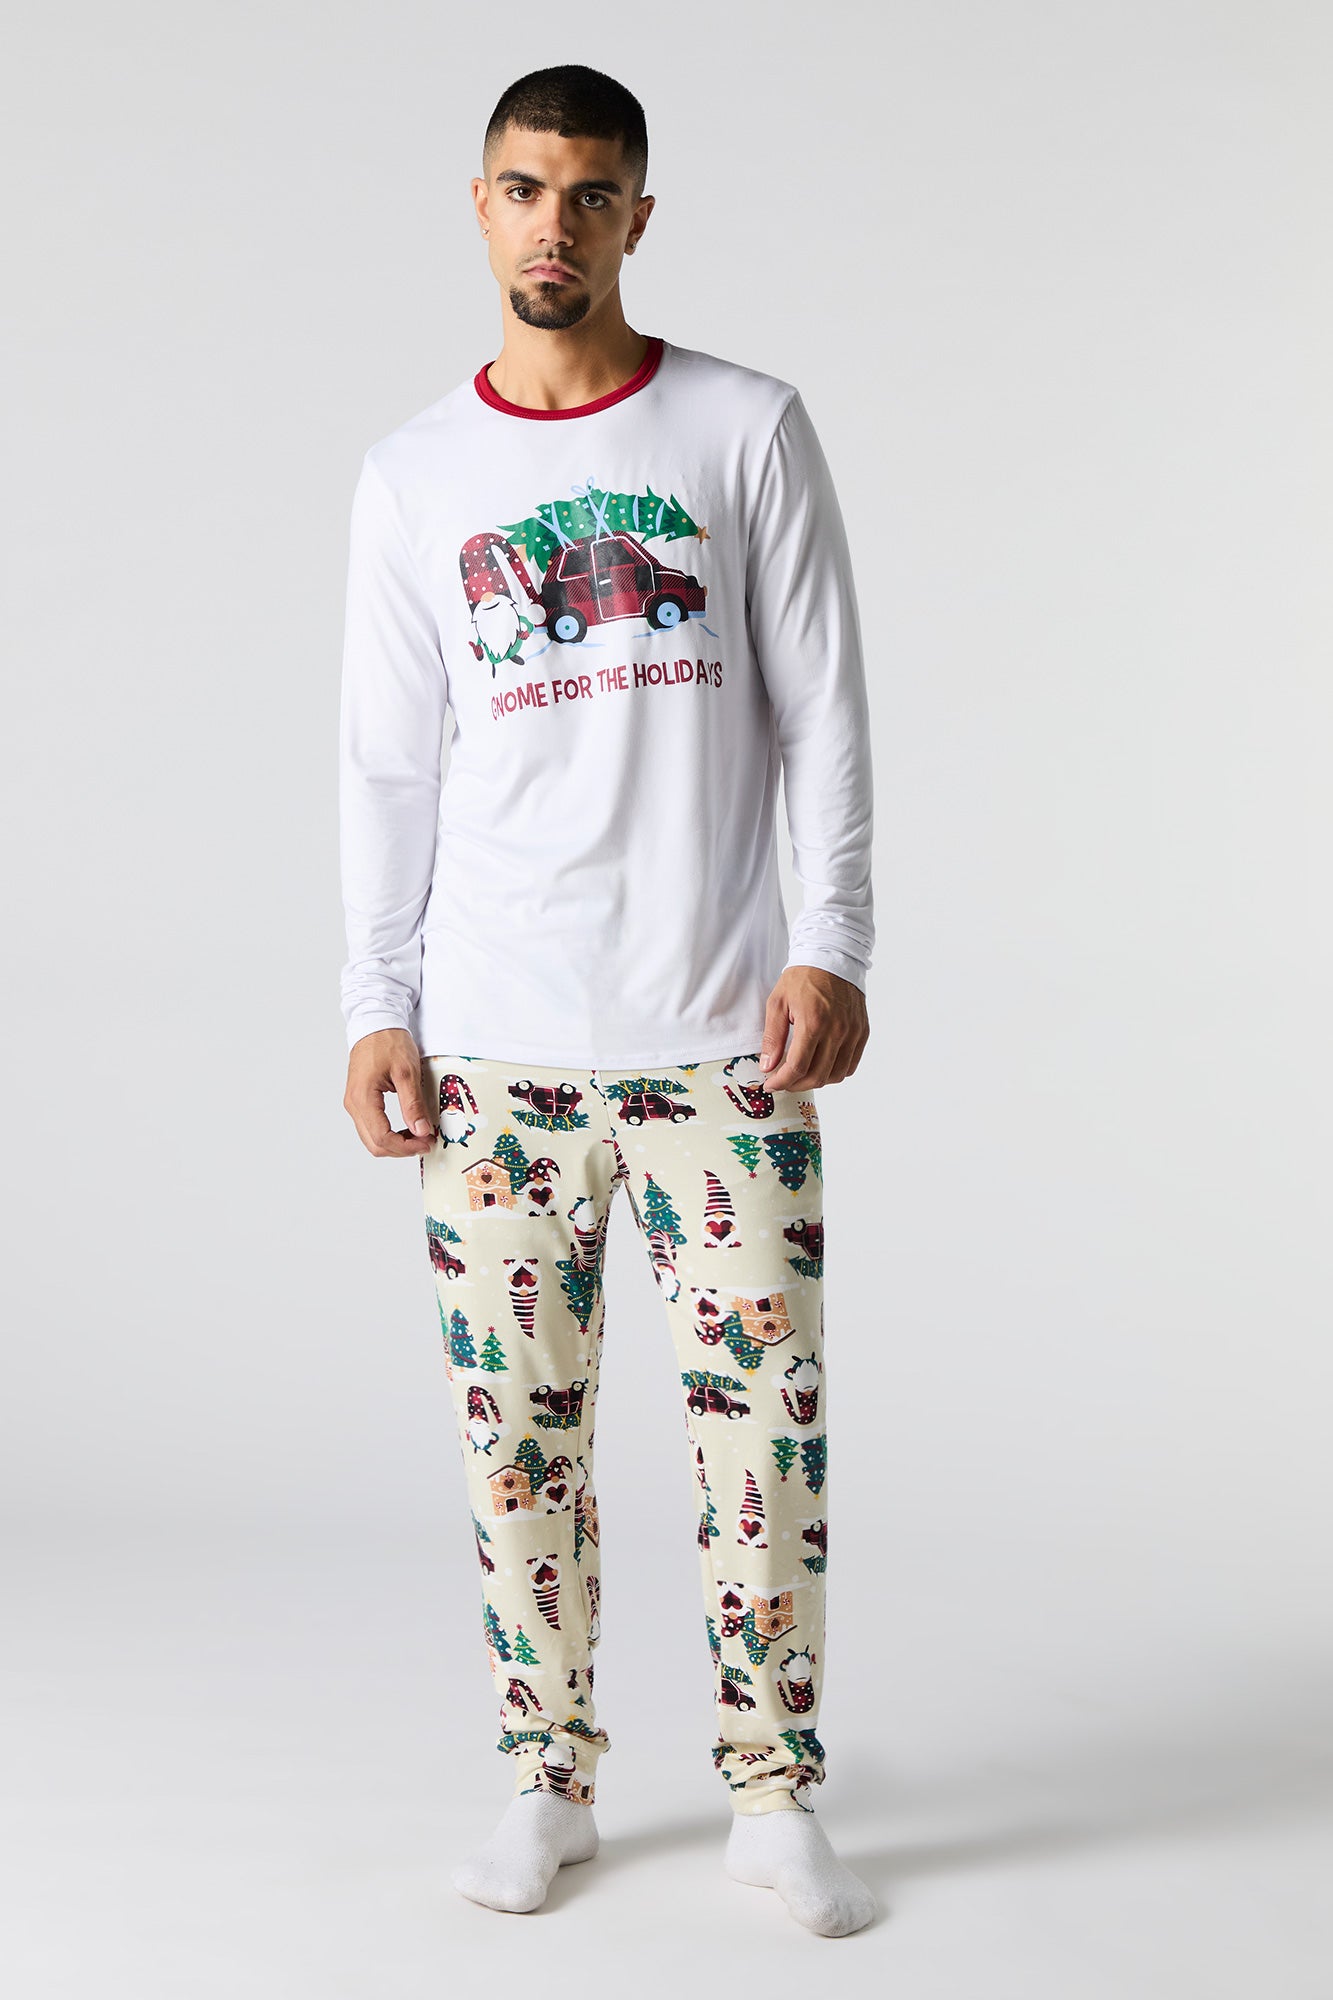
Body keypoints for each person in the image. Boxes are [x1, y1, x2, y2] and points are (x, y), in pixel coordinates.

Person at [338, 64, 878, 1937]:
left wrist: (833, 942)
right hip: (491, 1050)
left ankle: (773, 1794)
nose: (551, 224)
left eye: (587, 193)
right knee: (519, 1447)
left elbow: (822, 709)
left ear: (638, 215)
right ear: (477, 205)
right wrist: (375, 998)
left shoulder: (743, 426)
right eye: (520, 188)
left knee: (764, 1439)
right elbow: (385, 763)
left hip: (723, 1038)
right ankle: (545, 1779)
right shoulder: (415, 476)